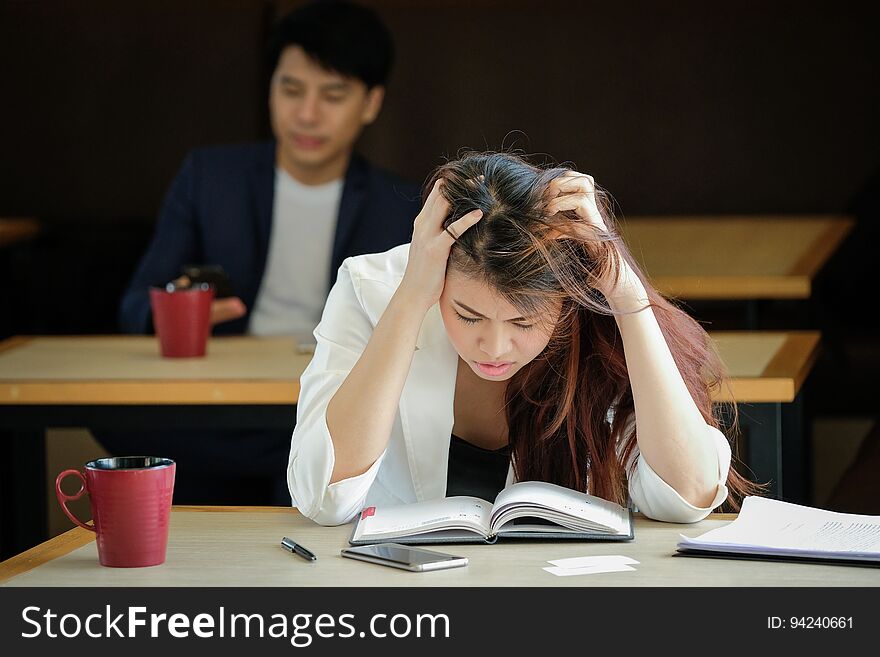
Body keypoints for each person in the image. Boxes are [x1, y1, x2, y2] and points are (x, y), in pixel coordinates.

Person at [288, 151, 759, 525]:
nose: (493, 348)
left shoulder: (593, 308)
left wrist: (625, 293)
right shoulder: (373, 289)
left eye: (523, 324)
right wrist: (411, 298)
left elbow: (689, 495)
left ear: (567, 303)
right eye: (467, 316)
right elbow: (323, 496)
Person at [96, 0, 420, 505]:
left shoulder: (400, 204)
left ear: (371, 103)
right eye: (290, 89)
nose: (306, 114)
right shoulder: (209, 178)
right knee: (118, 419)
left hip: (328, 401)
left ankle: (294, 468)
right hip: (225, 397)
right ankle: (292, 470)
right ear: (269, 87)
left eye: (332, 94)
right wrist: (181, 312)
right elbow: (137, 302)